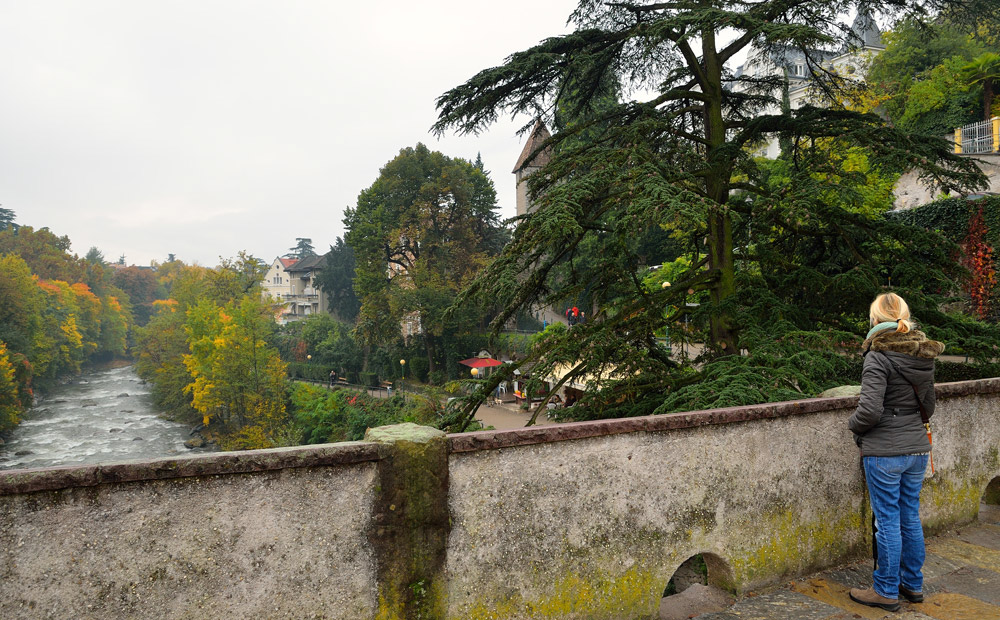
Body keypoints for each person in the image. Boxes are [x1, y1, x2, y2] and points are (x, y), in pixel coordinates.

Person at [847, 293, 944, 612]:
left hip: (885, 450)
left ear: (875, 320)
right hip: (916, 448)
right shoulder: (923, 354)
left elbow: (870, 410)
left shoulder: (877, 354)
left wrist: (853, 425)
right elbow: (927, 406)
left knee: (887, 520)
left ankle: (886, 591)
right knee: (909, 516)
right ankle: (912, 585)